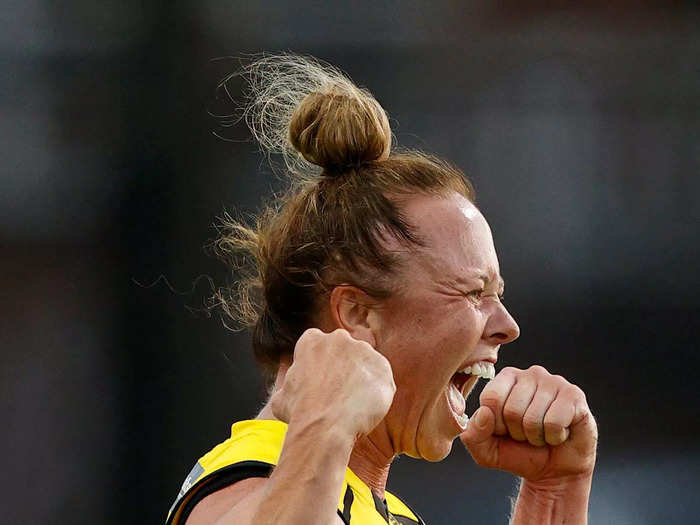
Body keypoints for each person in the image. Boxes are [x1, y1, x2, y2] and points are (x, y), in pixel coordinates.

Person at [166, 54, 598, 525]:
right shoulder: (247, 479)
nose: (507, 326)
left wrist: (554, 491)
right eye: (474, 294)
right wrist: (324, 422)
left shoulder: (381, 508)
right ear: (357, 314)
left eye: (498, 294)